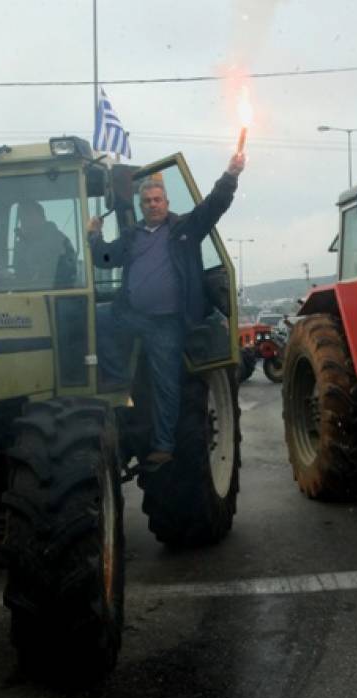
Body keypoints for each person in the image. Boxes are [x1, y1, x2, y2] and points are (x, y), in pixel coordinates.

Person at [88, 151, 246, 470]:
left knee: (167, 383)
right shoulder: (131, 236)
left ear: (167, 202)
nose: (153, 205)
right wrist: (94, 235)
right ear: (141, 205)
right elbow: (104, 258)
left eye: (158, 199)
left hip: (166, 323)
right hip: (131, 315)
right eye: (147, 201)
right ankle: (120, 382)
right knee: (96, 319)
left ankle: (163, 446)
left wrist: (231, 175)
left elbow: (215, 205)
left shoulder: (184, 229)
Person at [13, 201, 78, 288]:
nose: (25, 221)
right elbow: (21, 274)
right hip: (24, 296)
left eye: (29, 216)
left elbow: (69, 272)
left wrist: (41, 274)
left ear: (42, 218)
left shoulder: (59, 240)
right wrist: (10, 277)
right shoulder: (21, 245)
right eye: (22, 218)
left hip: (56, 296)